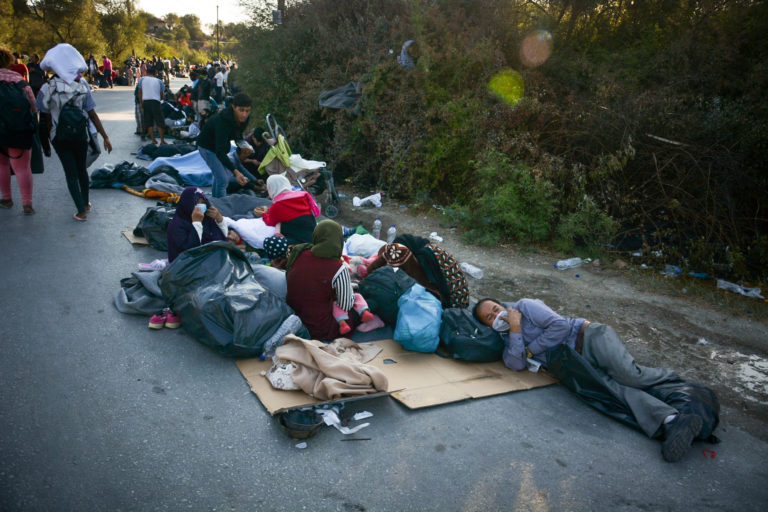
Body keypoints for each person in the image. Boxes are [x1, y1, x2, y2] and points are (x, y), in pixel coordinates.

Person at [473, 297, 706, 463]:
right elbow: (516, 364)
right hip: (575, 364)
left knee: (630, 377)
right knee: (615, 392)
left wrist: (530, 349)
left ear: (503, 305)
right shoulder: (506, 340)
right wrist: (514, 330)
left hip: (590, 338)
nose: (496, 316)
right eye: (489, 317)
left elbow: (561, 326)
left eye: (495, 309)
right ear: (489, 325)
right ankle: (673, 421)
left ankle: (670, 378)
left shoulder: (525, 305)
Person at [36, 43, 112, 221]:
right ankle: (85, 203)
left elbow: (44, 118)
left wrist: (46, 143)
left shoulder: (48, 88)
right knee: (81, 170)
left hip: (59, 137)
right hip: (81, 135)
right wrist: (105, 137)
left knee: (70, 173)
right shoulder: (83, 85)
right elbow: (92, 114)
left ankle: (80, 211)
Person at [285, 220, 376, 340]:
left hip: (293, 319)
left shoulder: (300, 253)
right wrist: (352, 294)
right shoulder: (337, 268)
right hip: (320, 328)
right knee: (367, 302)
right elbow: (346, 304)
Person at [364, 234, 470, 309]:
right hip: (458, 302)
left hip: (448, 303)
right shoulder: (430, 251)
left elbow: (371, 272)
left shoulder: (420, 259)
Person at [196, 92, 261, 198]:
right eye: (241, 110)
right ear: (234, 107)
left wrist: (243, 146)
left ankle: (216, 203)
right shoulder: (222, 122)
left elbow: (237, 135)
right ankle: (223, 207)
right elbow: (220, 152)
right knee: (223, 180)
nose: (244, 114)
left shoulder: (244, 119)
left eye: (247, 111)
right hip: (207, 147)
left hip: (220, 147)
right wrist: (236, 172)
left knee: (219, 178)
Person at [0, 46, 37, 214]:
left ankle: (6, 198)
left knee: (1, 165)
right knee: (22, 167)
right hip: (19, 130)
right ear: (9, 61)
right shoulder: (19, 80)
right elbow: (33, 106)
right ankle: (27, 204)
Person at [252, 174, 319, 262]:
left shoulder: (278, 205)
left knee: (270, 243)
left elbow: (270, 222)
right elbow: (288, 212)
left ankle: (277, 261)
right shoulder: (302, 196)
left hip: (300, 244)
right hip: (314, 240)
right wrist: (268, 211)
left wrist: (264, 214)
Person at [166, 187, 228, 263]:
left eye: (203, 202)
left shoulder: (207, 219)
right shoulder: (176, 225)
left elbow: (222, 240)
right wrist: (197, 223)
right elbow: (190, 252)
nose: (201, 206)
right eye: (197, 203)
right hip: (187, 268)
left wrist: (220, 220)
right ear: (187, 203)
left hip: (210, 262)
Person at [137, 67, 166, 144]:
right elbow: (162, 95)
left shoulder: (142, 80)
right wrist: (159, 100)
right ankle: (162, 140)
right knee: (160, 121)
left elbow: (139, 92)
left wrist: (141, 103)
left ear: (147, 72)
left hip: (146, 102)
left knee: (149, 122)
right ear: (155, 73)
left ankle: (153, 140)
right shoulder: (159, 81)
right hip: (156, 102)